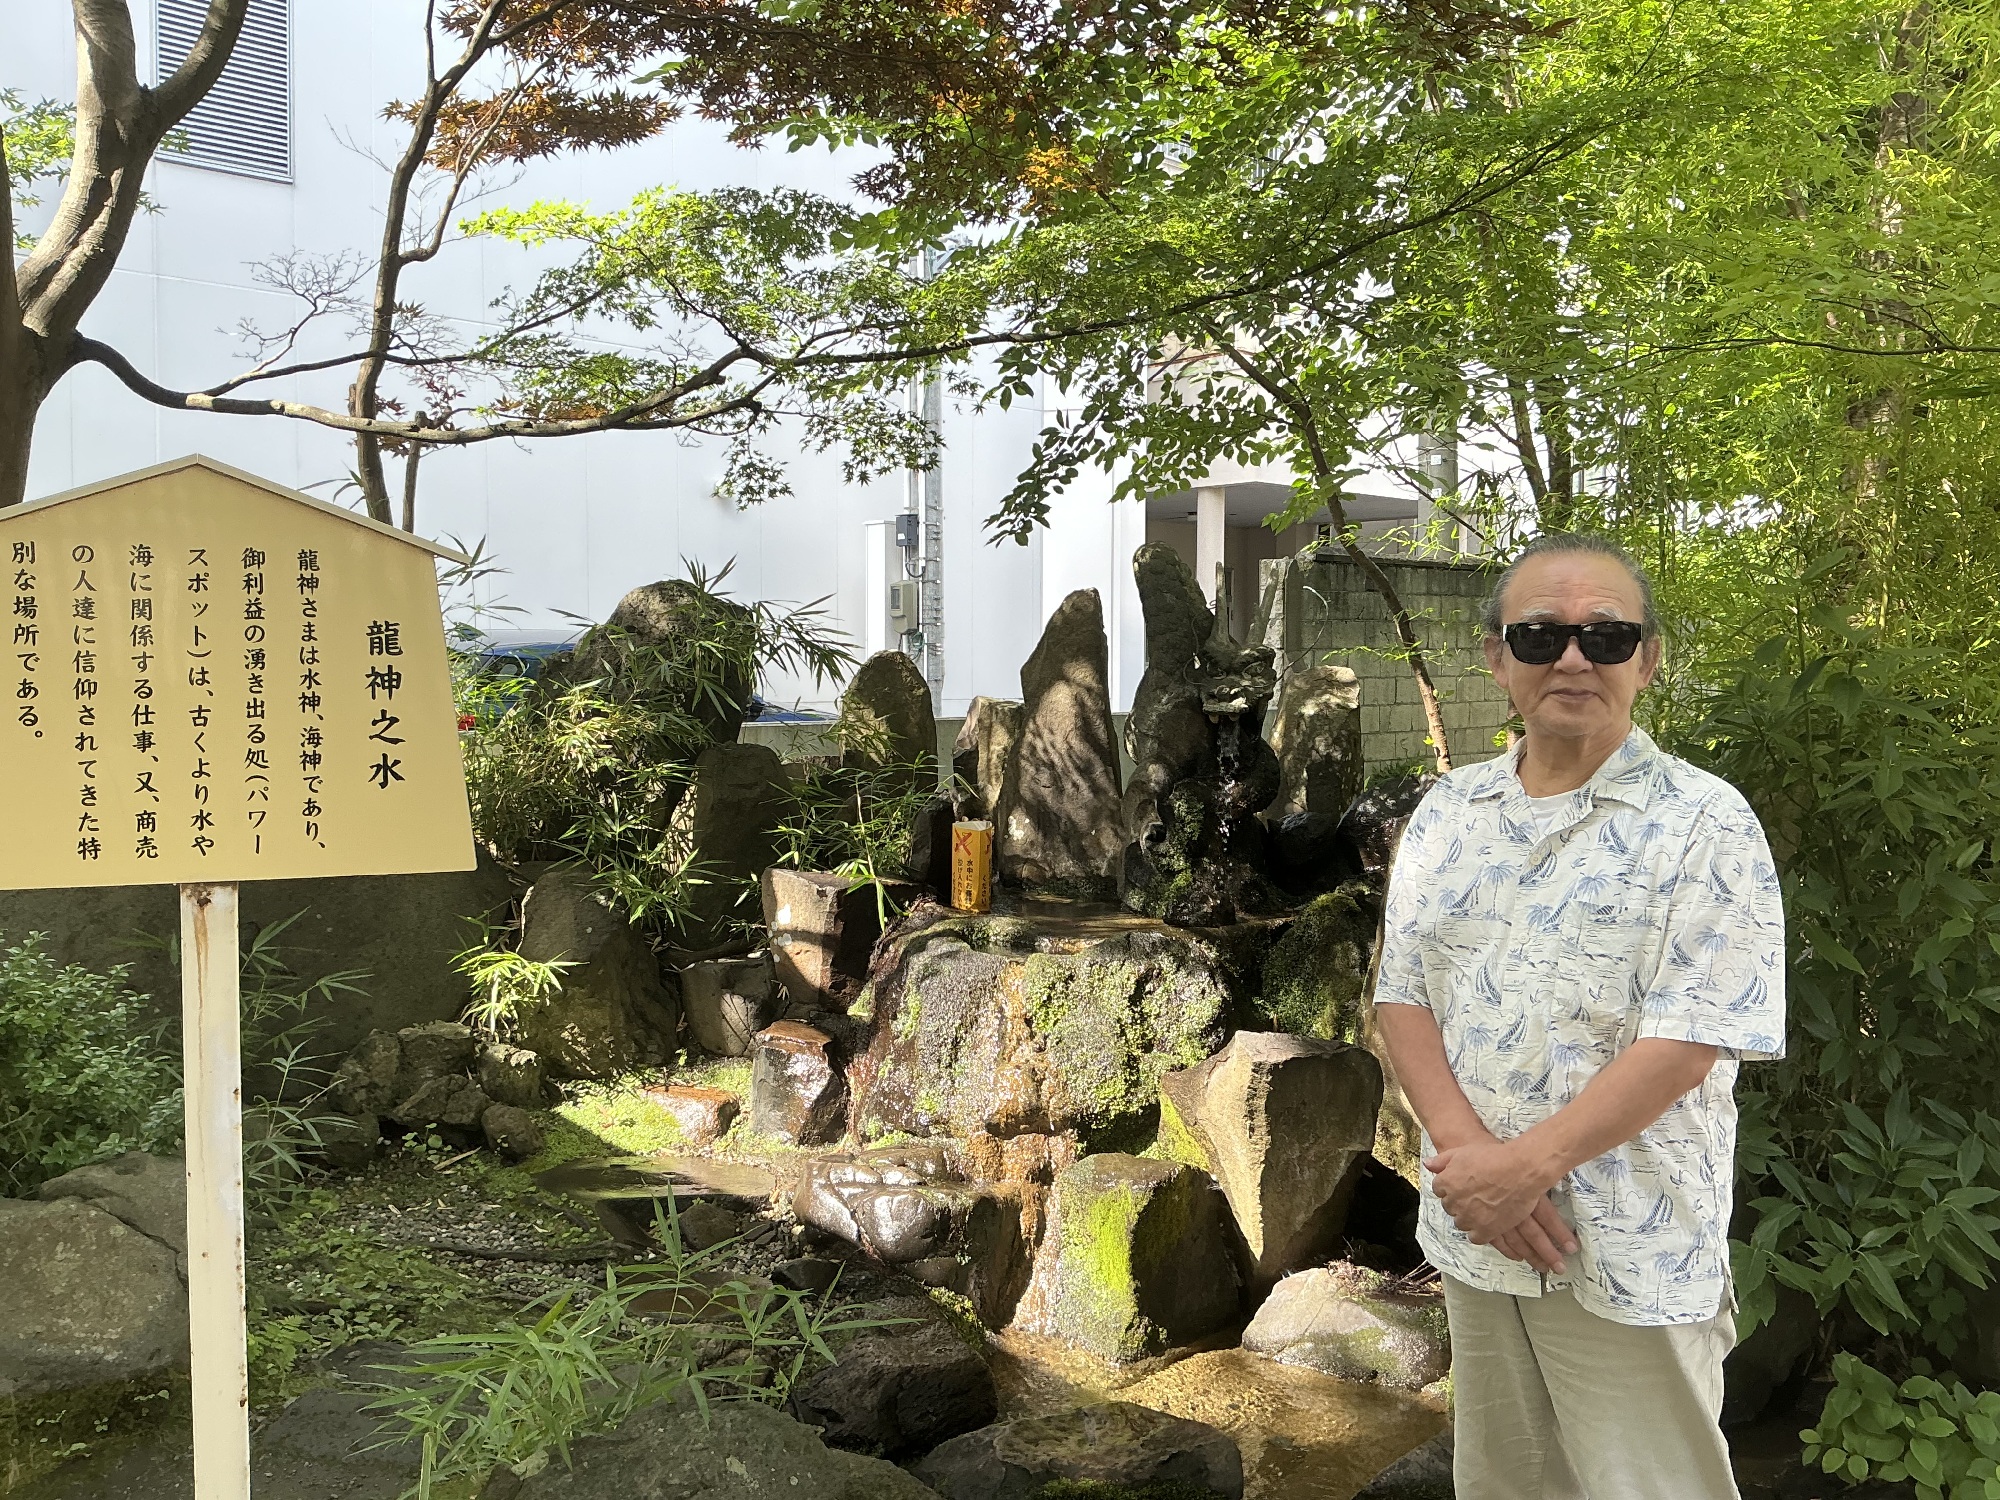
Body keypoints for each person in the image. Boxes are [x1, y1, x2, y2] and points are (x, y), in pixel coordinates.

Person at [1372, 534, 1785, 1500]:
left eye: (1605, 635)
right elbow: (1403, 993)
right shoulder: (1447, 813)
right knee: (1505, 1483)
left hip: (1628, 1242)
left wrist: (1525, 1170)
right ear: (1495, 657)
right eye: (1540, 633)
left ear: (1645, 659)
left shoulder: (1706, 823)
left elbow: (1688, 1041)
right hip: (1479, 1227)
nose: (1572, 657)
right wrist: (1478, 1164)